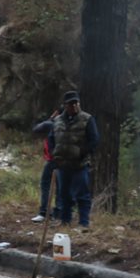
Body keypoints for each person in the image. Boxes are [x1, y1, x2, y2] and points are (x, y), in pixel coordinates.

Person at [49, 91, 99, 230]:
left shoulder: (87, 119)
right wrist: (54, 154)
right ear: (65, 105)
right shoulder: (57, 121)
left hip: (79, 164)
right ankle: (65, 220)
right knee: (64, 195)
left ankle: (84, 223)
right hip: (62, 164)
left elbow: (94, 140)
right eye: (71, 103)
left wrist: (82, 152)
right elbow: (51, 138)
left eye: (76, 103)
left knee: (82, 195)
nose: (75, 106)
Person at [31, 108, 63, 223]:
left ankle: (44, 212)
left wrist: (50, 118)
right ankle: (58, 213)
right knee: (60, 187)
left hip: (53, 160)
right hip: (63, 160)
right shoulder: (68, 126)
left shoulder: (51, 124)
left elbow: (36, 129)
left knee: (45, 184)